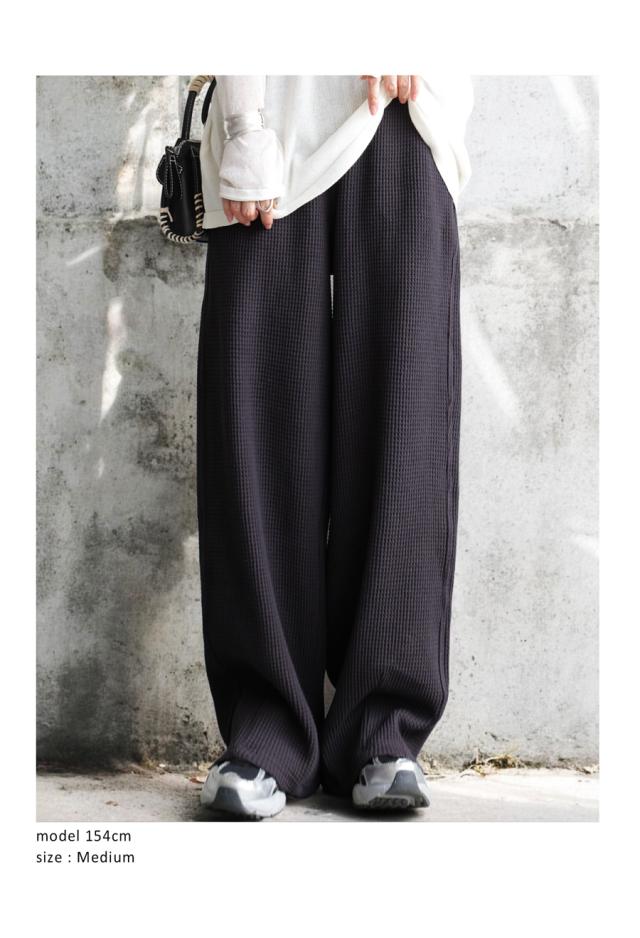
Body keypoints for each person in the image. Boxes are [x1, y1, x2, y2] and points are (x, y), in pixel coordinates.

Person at [196, 74, 473, 818]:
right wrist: (244, 125)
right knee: (259, 429)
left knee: (404, 426)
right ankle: (266, 730)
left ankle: (386, 730)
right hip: (272, 114)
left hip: (408, 110)